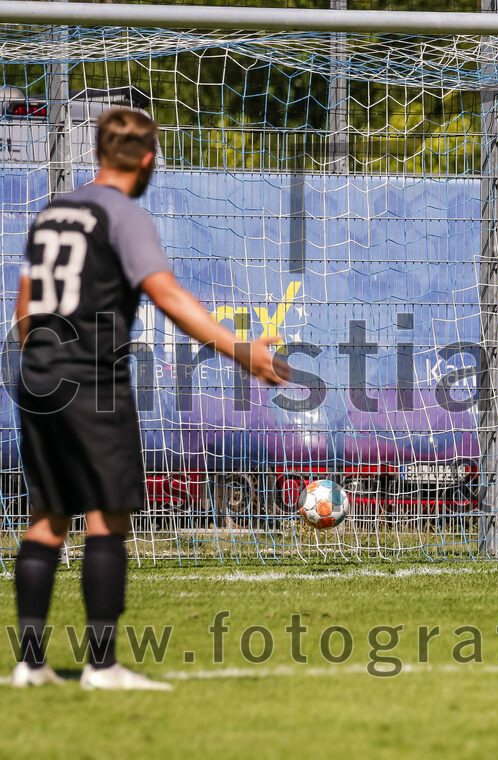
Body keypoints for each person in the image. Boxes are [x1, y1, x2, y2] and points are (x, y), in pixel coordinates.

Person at [11, 108, 290, 689]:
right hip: (91, 377)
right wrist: (243, 352)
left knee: (47, 519)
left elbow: (25, 305)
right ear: (146, 159)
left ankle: (30, 664)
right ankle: (103, 666)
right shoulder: (125, 215)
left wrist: (42, 362)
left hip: (38, 375)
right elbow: (167, 295)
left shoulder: (52, 213)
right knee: (106, 517)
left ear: (97, 152)